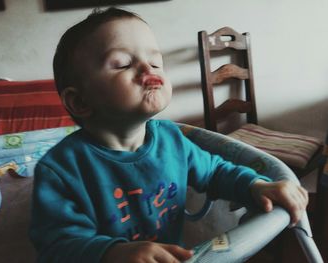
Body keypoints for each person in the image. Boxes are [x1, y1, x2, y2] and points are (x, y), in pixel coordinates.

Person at [29, 7, 308, 263]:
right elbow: (57, 246)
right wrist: (112, 253)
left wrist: (255, 186)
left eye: (155, 61)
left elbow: (216, 172)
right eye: (123, 63)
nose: (148, 68)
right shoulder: (61, 170)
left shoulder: (172, 140)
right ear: (80, 102)